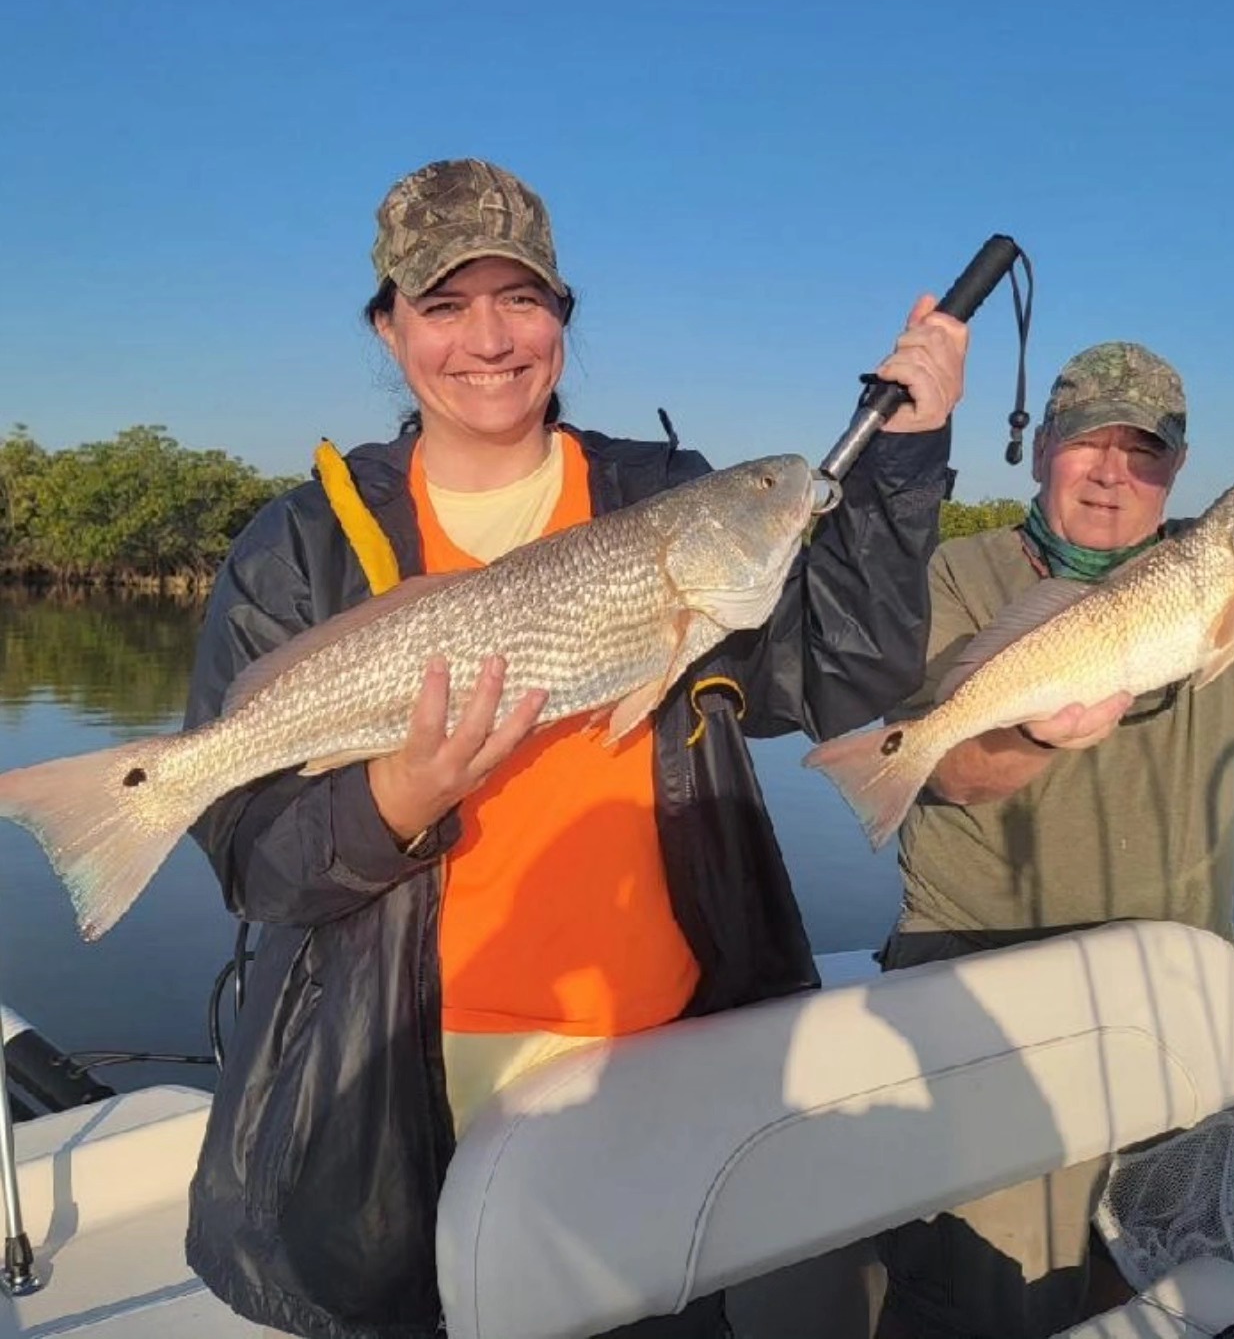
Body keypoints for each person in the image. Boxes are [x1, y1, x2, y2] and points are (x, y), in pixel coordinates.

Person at [181, 157, 969, 1339]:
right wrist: (395, 799)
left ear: (563, 315)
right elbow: (259, 865)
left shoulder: (664, 496)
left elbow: (842, 670)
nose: (488, 339)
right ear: (389, 328)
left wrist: (906, 456)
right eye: (444, 304)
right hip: (407, 1096)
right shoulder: (300, 548)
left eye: (522, 299)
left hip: (660, 1066)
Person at [873, 321, 1234, 1339]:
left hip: (1175, 995)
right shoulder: (955, 572)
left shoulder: (1224, 568)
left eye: (1143, 451)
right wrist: (1034, 734)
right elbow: (947, 771)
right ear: (1041, 450)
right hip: (984, 987)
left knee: (1162, 1296)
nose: (1110, 474)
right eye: (1087, 443)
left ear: (1178, 468)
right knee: (983, 1299)